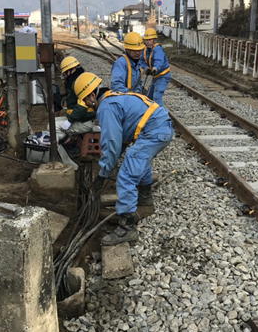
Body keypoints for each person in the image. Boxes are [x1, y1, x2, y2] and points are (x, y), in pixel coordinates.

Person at [74, 72, 174, 245]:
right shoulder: (114, 98)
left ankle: (126, 227)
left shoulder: (106, 107)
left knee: (126, 175)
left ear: (91, 94)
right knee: (138, 161)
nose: (88, 106)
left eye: (86, 101)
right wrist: (110, 161)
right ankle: (144, 196)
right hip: (159, 127)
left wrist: (103, 174)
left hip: (153, 132)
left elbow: (112, 143)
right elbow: (120, 140)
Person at [54, 56, 98, 169]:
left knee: (54, 128)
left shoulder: (79, 84)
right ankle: (71, 148)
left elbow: (81, 108)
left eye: (65, 73)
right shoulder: (81, 79)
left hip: (83, 120)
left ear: (70, 70)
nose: (65, 76)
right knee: (53, 124)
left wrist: (69, 119)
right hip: (83, 118)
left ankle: (71, 157)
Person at [142, 28, 171, 106]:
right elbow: (141, 61)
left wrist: (155, 68)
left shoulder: (157, 49)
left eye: (150, 40)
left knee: (157, 97)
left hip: (163, 76)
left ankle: (162, 116)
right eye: (146, 40)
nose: (148, 42)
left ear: (154, 40)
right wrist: (146, 68)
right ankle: (151, 114)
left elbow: (159, 59)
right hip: (156, 77)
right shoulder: (145, 50)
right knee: (149, 97)